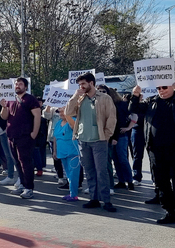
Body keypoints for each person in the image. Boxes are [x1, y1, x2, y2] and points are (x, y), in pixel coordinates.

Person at [129, 83, 175, 229]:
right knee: (162, 184)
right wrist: (135, 96)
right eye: (158, 88)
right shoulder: (152, 101)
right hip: (156, 150)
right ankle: (170, 213)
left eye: (164, 88)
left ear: (172, 87)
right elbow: (133, 109)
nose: (161, 91)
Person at [64, 73, 118, 212]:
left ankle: (106, 200)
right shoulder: (80, 98)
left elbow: (111, 118)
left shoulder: (104, 98)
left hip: (99, 140)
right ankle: (94, 198)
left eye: (83, 84)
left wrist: (106, 136)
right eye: (79, 85)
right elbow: (68, 111)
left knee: (102, 171)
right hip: (83, 139)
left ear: (91, 83)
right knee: (89, 171)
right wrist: (75, 96)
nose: (81, 87)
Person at [0, 77, 42, 200]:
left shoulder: (30, 99)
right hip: (12, 136)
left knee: (26, 162)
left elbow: (37, 116)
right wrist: (3, 107)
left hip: (25, 136)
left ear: (26, 87)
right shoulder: (10, 99)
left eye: (20, 84)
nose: (17, 85)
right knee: (17, 162)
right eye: (16, 84)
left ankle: (29, 188)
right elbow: (4, 116)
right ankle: (22, 184)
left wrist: (34, 133)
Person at [102, 86, 136, 191]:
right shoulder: (104, 105)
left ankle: (130, 181)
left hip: (121, 135)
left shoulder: (121, 104)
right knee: (115, 159)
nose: (102, 94)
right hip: (110, 135)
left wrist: (129, 127)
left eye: (104, 92)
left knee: (122, 158)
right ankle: (121, 181)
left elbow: (134, 115)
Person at [53, 106, 81, 202]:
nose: (61, 113)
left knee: (73, 174)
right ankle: (71, 192)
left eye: (63, 111)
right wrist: (54, 151)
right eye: (59, 112)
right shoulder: (58, 123)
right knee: (68, 174)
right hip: (62, 152)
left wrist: (68, 114)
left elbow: (74, 127)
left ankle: (74, 194)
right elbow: (55, 138)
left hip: (72, 152)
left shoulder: (73, 120)